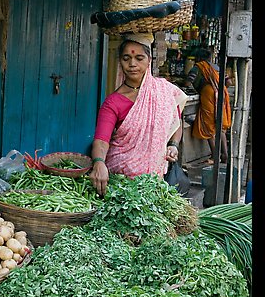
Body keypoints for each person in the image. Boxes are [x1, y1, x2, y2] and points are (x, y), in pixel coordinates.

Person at [89, 32, 188, 196]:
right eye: (126, 58)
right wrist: (99, 163)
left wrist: (173, 145)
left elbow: (176, 120)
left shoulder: (163, 91)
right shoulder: (113, 102)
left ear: (149, 60)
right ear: (120, 61)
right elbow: (101, 141)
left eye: (139, 58)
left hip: (154, 180)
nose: (132, 64)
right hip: (121, 180)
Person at [184, 48, 232, 164]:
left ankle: (215, 156)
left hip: (208, 93)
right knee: (220, 125)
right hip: (221, 92)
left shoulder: (198, 67)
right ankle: (225, 154)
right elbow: (228, 82)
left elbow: (187, 83)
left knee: (208, 125)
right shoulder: (216, 67)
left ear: (199, 58)